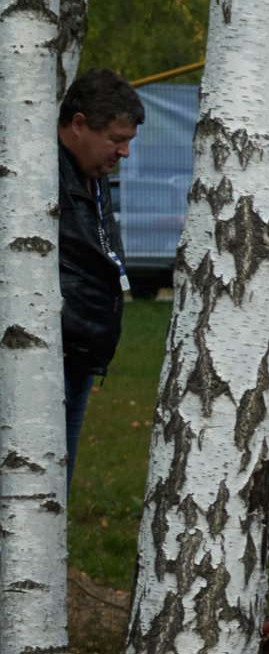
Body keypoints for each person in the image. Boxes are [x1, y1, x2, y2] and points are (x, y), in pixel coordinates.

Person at [57, 69, 143, 487]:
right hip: (45, 360)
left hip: (80, 360)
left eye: (129, 141)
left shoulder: (93, 173)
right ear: (78, 125)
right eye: (116, 139)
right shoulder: (39, 175)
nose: (124, 152)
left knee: (52, 491)